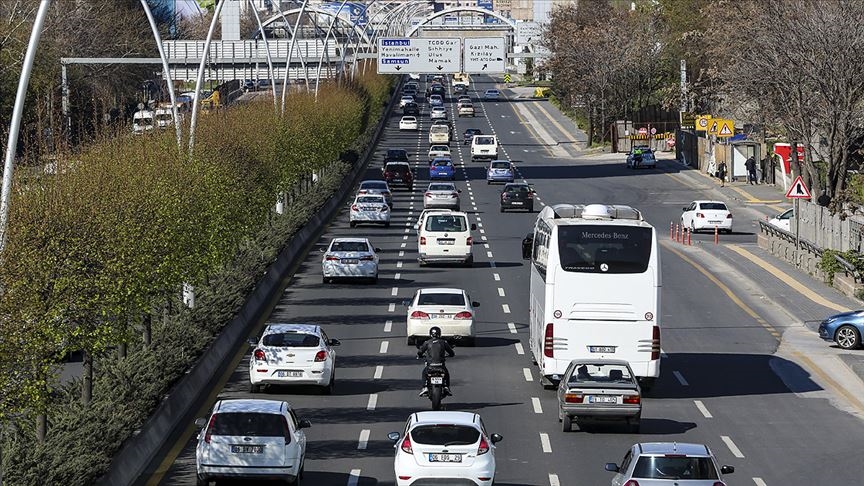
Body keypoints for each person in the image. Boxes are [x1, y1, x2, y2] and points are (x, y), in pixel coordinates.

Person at [417, 327, 455, 396]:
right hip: (441, 367)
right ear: (439, 334)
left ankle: (425, 387)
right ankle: (446, 387)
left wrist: (420, 355)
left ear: (431, 334)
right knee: (446, 374)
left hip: (430, 367)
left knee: (424, 372)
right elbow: (452, 353)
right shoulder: (444, 342)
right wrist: (449, 355)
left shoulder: (427, 342)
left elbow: (420, 352)